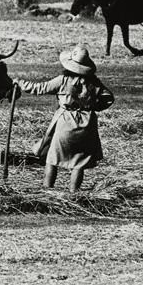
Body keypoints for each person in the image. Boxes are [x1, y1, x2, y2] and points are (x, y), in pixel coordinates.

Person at [13, 45, 114, 193]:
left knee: (52, 159)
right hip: (87, 125)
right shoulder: (94, 83)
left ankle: (47, 191)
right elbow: (109, 98)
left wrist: (20, 83)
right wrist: (93, 107)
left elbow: (40, 88)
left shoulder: (63, 80)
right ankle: (74, 193)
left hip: (65, 123)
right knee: (79, 162)